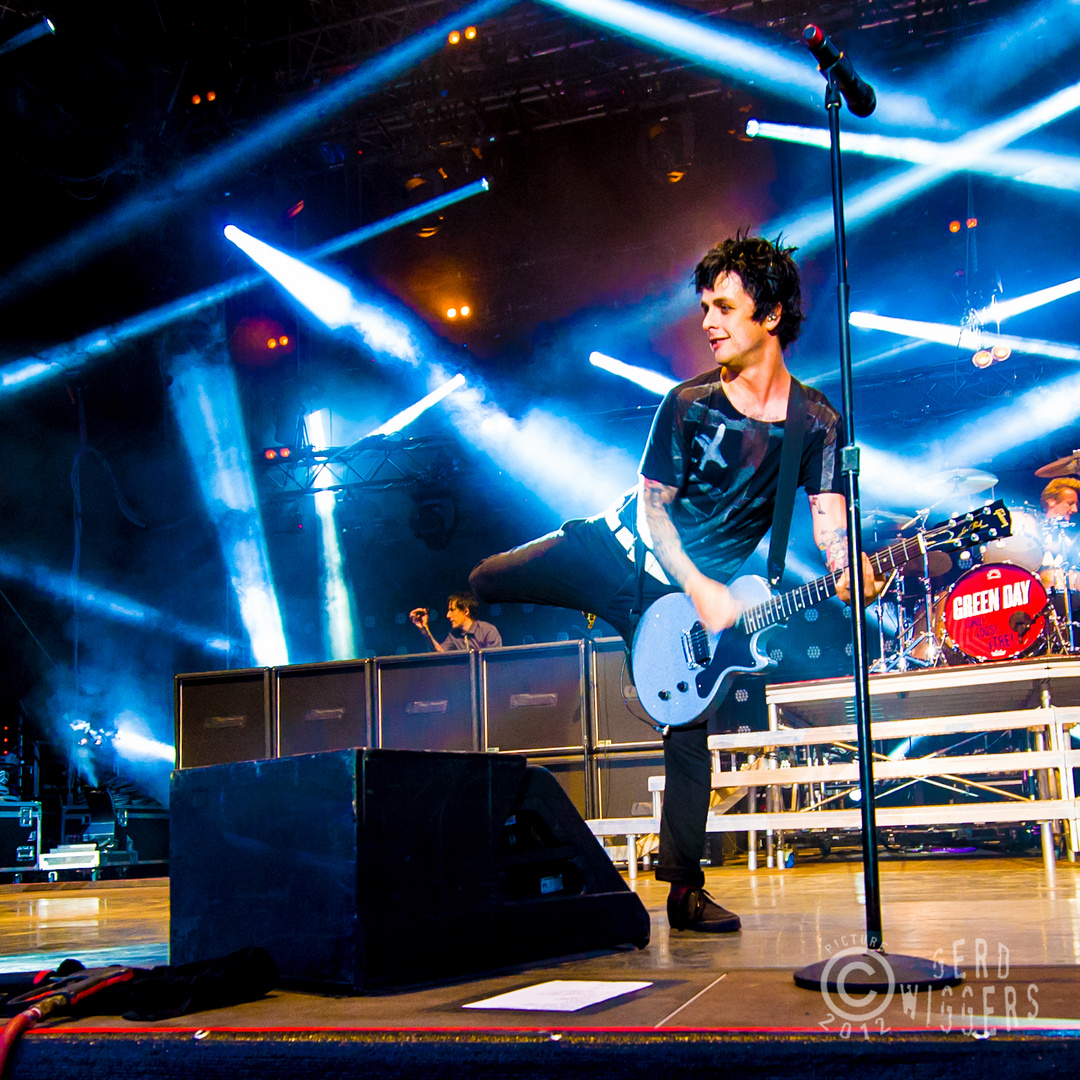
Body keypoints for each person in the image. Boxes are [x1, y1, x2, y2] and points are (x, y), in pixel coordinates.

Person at [470, 233, 881, 934]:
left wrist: (851, 569)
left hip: (685, 606)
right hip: (616, 552)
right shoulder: (687, 403)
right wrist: (698, 583)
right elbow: (655, 511)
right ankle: (472, 608)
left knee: (690, 726)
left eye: (724, 306)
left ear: (772, 315)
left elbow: (829, 525)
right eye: (703, 308)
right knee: (486, 577)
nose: (708, 322)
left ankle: (684, 890)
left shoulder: (816, 424)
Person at [410, 592, 502, 652]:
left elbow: (494, 662)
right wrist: (424, 629)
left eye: (452, 610)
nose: (448, 615)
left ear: (466, 611)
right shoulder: (453, 635)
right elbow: (439, 652)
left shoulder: (488, 630)